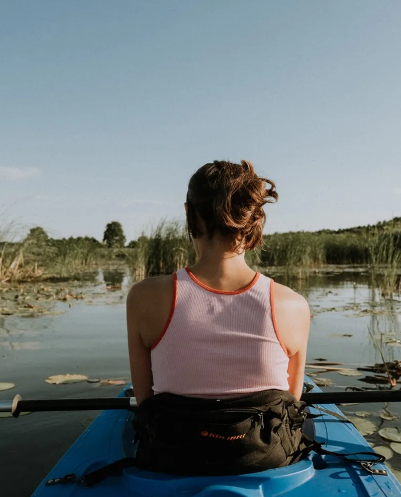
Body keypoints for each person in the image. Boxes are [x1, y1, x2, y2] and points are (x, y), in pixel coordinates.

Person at [125, 160, 312, 476]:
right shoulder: (293, 304)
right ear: (253, 218)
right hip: (266, 459)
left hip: (174, 456)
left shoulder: (143, 297)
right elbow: (290, 404)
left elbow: (146, 403)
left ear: (189, 213)